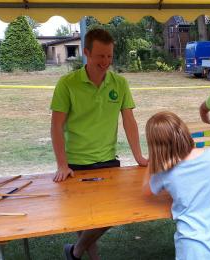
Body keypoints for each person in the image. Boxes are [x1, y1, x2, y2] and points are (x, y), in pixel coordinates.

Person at [50, 28, 147, 260]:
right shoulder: (67, 83)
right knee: (84, 220)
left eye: (110, 56)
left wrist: (139, 157)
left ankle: (74, 251)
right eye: (100, 56)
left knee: (112, 216)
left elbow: (129, 121)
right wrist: (62, 165)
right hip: (76, 164)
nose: (106, 62)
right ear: (86, 53)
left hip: (108, 161)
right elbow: (56, 127)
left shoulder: (120, 83)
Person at [143, 111, 210, 260]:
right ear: (184, 131)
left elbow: (146, 190)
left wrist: (152, 162)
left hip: (193, 250)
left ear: (156, 147)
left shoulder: (165, 172)